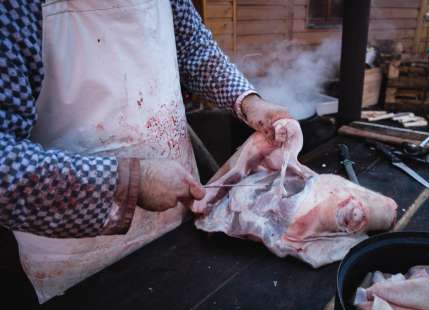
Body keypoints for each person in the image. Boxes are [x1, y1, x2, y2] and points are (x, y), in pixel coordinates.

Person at [0, 0, 295, 238]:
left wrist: (247, 101)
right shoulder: (15, 8)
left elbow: (195, 49)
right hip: (74, 244)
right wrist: (130, 183)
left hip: (178, 212)